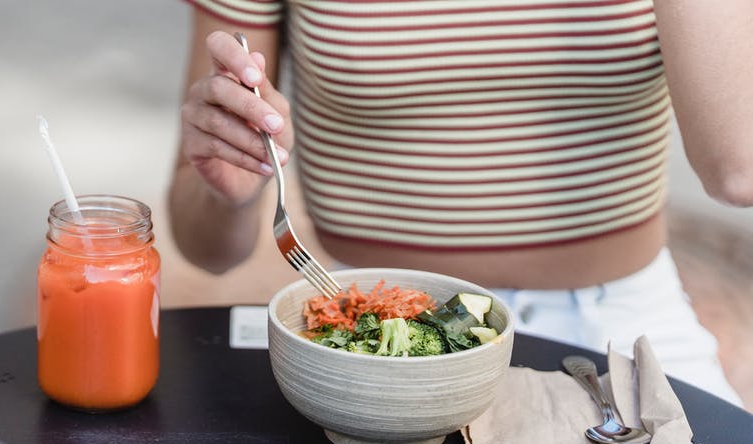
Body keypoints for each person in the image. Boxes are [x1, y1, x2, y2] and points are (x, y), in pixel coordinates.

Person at [169, 0, 752, 406]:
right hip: (369, 332)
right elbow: (205, 249)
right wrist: (234, 188)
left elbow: (738, 170)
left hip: (616, 327)